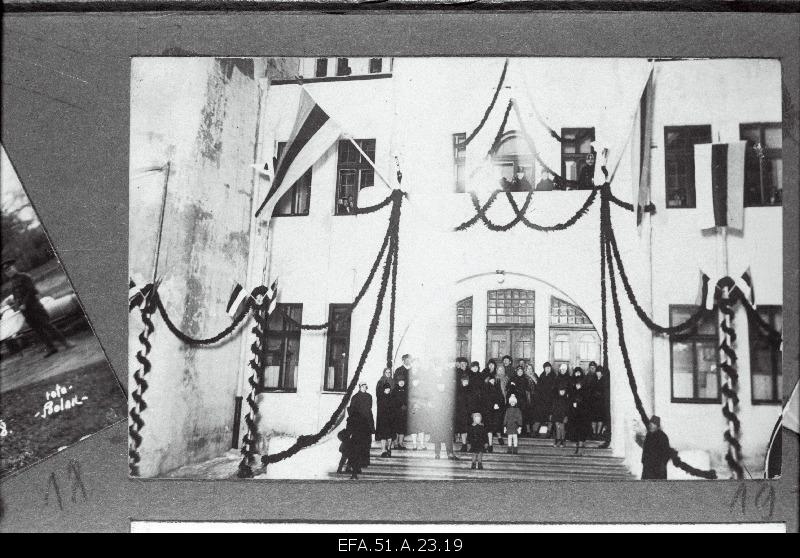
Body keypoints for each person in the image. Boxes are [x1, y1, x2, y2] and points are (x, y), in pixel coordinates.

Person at [1, 259, 74, 357]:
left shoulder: (25, 277)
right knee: (38, 330)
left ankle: (65, 342)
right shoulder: (13, 282)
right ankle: (51, 348)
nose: (8, 272)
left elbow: (32, 291)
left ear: (14, 267)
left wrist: (24, 304)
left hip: (34, 307)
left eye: (9, 269)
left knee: (48, 325)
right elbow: (17, 297)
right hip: (26, 312)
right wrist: (17, 306)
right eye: (6, 271)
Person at [429, 378, 457, 460]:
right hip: (437, 420)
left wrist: (451, 420)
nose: (441, 387)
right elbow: (431, 408)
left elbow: (451, 408)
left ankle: (450, 454)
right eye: (439, 385)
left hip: (446, 420)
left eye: (442, 385)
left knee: (448, 437)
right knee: (437, 437)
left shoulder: (448, 395)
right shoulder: (434, 395)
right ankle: (437, 454)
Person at [566, 376, 591, 456]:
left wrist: (578, 404)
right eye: (576, 384)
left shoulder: (585, 392)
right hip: (575, 416)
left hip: (583, 417)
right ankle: (577, 449)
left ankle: (580, 450)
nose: (577, 386)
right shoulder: (573, 392)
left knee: (581, 433)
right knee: (577, 433)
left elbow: (587, 404)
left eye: (579, 384)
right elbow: (570, 402)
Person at [531, 362, 555, 437]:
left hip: (550, 400)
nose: (548, 369)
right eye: (546, 368)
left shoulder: (554, 376)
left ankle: (549, 432)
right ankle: (535, 431)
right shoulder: (541, 376)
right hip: (541, 400)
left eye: (549, 368)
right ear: (544, 368)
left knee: (550, 417)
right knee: (539, 416)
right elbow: (538, 387)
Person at [408, 368, 429, 451]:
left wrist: (420, 404)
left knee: (421, 428)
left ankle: (422, 444)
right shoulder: (409, 389)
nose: (415, 382)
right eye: (414, 381)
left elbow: (425, 399)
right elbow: (408, 400)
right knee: (414, 430)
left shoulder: (422, 390)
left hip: (421, 411)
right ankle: (414, 445)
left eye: (417, 380)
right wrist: (413, 405)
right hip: (413, 412)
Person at [483, 375, 505, 452]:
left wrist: (498, 404)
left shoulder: (497, 387)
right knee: (489, 428)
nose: (492, 381)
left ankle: (499, 437)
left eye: (493, 380)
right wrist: (492, 405)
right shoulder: (485, 388)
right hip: (488, 411)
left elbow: (501, 397)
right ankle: (490, 445)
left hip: (497, 410)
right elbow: (485, 399)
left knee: (497, 425)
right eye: (490, 380)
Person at [375, 380, 395, 457]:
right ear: (384, 390)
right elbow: (380, 409)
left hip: (390, 420)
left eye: (389, 389)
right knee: (383, 436)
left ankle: (389, 449)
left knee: (389, 436)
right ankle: (383, 450)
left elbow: (393, 409)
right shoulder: (380, 398)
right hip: (383, 420)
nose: (388, 390)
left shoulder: (392, 397)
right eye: (386, 389)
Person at [589, 365, 609, 440]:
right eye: (597, 372)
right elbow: (590, 390)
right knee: (593, 418)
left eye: (599, 372)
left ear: (602, 373)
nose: (598, 373)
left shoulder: (604, 380)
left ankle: (598, 433)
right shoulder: (593, 380)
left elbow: (605, 391)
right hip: (594, 402)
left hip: (601, 402)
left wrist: (600, 394)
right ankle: (594, 433)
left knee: (600, 418)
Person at [455, 374, 472, 452]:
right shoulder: (459, 390)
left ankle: (470, 445)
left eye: (466, 381)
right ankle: (464, 445)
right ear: (461, 381)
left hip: (468, 413)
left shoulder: (471, 390)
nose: (465, 382)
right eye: (464, 381)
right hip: (461, 413)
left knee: (469, 430)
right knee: (462, 430)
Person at [391, 375, 409, 450]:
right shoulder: (394, 390)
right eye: (400, 381)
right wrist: (399, 405)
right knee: (396, 428)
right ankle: (395, 443)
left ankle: (401, 443)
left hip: (404, 412)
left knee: (402, 428)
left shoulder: (406, 390)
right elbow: (393, 401)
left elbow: (409, 399)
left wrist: (406, 405)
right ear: (397, 382)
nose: (401, 383)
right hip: (396, 412)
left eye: (403, 381)